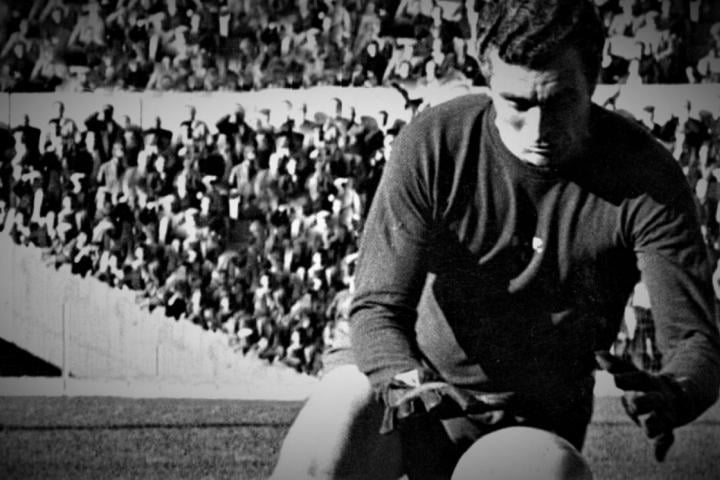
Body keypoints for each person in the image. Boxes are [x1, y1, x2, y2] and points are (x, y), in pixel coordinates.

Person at [271, 1, 720, 479]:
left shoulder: (648, 176)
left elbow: (695, 340)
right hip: (408, 389)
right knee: (336, 415)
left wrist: (677, 390)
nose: (539, 130)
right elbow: (376, 308)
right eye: (518, 104)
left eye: (560, 101)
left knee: (550, 472)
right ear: (487, 78)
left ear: (593, 79)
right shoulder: (434, 142)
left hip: (527, 422)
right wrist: (408, 385)